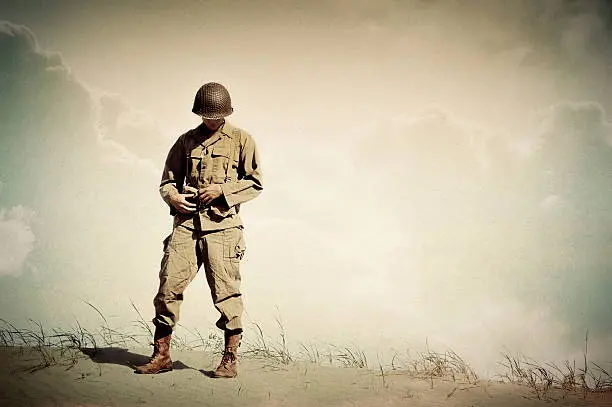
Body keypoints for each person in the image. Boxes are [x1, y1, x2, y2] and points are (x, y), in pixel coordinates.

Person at [135, 82, 263, 378]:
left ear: (225, 113)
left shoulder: (242, 140)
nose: (210, 120)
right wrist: (173, 197)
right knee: (168, 287)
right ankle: (161, 354)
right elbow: (167, 182)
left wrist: (222, 190)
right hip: (186, 226)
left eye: (215, 115)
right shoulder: (185, 142)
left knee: (226, 293)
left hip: (223, 228)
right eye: (205, 115)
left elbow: (255, 183)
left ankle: (229, 359)